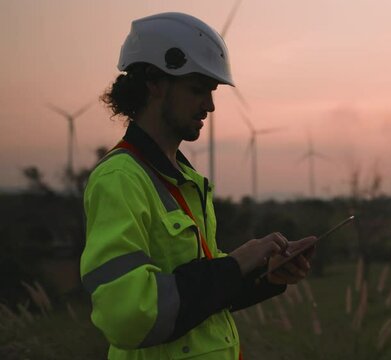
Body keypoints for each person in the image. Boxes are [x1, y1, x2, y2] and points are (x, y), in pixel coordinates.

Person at [80, 12, 315, 360]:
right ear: (154, 82)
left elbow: (197, 297)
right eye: (197, 89)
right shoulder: (120, 180)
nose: (210, 105)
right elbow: (127, 315)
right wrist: (236, 264)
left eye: (212, 90)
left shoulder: (185, 179)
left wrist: (265, 275)